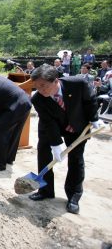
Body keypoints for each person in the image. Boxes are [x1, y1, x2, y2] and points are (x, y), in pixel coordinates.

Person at [29, 65, 104, 214]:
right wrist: (56, 144)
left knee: (76, 159)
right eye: (37, 86)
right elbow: (48, 123)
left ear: (56, 81)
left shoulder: (77, 83)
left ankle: (73, 197)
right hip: (50, 125)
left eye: (43, 86)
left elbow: (89, 100)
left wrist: (94, 118)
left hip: (76, 126)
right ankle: (45, 190)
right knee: (44, 154)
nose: (40, 90)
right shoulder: (38, 98)